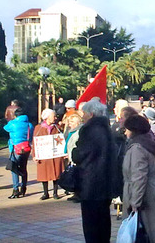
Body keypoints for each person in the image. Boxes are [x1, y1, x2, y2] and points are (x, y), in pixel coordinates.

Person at [72, 100, 117, 243]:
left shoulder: (88, 130)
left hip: (90, 184)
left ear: (91, 114)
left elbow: (80, 155)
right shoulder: (107, 129)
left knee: (91, 226)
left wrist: (74, 151)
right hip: (106, 184)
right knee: (104, 222)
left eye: (84, 113)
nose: (82, 116)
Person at [122, 115, 155, 243]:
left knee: (141, 234)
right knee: (152, 232)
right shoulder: (149, 142)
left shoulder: (137, 148)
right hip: (151, 192)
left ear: (134, 130)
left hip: (143, 198)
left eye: (127, 129)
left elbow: (138, 176)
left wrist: (135, 203)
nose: (125, 132)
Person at [32, 109, 64, 200]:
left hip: (55, 155)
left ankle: (55, 192)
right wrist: (34, 155)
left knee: (57, 173)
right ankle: (45, 193)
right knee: (44, 173)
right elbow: (35, 142)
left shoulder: (56, 127)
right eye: (53, 116)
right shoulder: (39, 128)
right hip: (44, 155)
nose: (55, 118)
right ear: (47, 117)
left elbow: (61, 139)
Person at [3, 108, 34, 199]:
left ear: (16, 115)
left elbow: (5, 128)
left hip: (16, 149)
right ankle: (23, 188)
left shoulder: (12, 124)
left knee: (14, 169)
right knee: (23, 168)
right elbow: (31, 135)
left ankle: (15, 189)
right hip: (26, 148)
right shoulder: (29, 125)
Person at [64, 113, 83, 202]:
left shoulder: (78, 131)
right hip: (71, 157)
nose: (69, 124)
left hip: (76, 157)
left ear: (77, 123)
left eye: (72, 122)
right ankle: (75, 194)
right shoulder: (71, 132)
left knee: (78, 176)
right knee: (75, 176)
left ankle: (79, 194)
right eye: (69, 121)